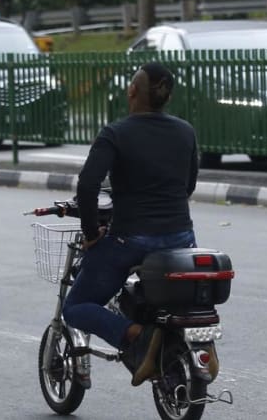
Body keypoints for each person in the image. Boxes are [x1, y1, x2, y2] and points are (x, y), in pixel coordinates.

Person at [62, 63, 199, 387]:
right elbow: (188, 186)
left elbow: (87, 186)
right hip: (182, 238)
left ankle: (136, 336)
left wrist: (92, 233)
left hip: (131, 240)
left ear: (132, 91)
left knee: (77, 306)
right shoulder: (185, 131)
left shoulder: (116, 133)